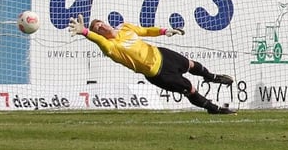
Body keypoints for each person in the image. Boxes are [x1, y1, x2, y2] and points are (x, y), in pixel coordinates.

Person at [67, 15, 235, 114]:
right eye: (98, 28)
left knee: (190, 64)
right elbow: (98, 41)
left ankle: (212, 77)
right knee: (189, 88)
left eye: (101, 23)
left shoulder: (125, 28)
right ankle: (214, 109)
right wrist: (84, 31)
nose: (102, 27)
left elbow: (145, 30)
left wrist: (164, 31)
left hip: (161, 53)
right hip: (158, 73)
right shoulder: (111, 47)